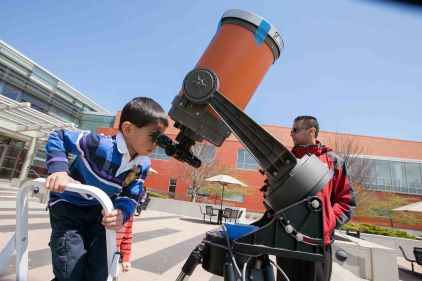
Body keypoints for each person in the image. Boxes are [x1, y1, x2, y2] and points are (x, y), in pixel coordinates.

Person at [44, 97, 168, 281]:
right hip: (68, 208)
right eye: (154, 136)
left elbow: (131, 194)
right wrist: (59, 171)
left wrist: (121, 212)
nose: (157, 143)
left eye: (161, 138)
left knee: (99, 272)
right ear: (128, 129)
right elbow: (59, 136)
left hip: (98, 214)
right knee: (70, 272)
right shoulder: (99, 144)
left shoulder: (142, 165)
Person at [277, 115, 356, 281]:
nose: (291, 134)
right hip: (286, 240)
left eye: (295, 130)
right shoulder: (285, 161)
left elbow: (346, 201)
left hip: (319, 243)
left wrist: (327, 222)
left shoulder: (334, 161)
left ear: (311, 131)